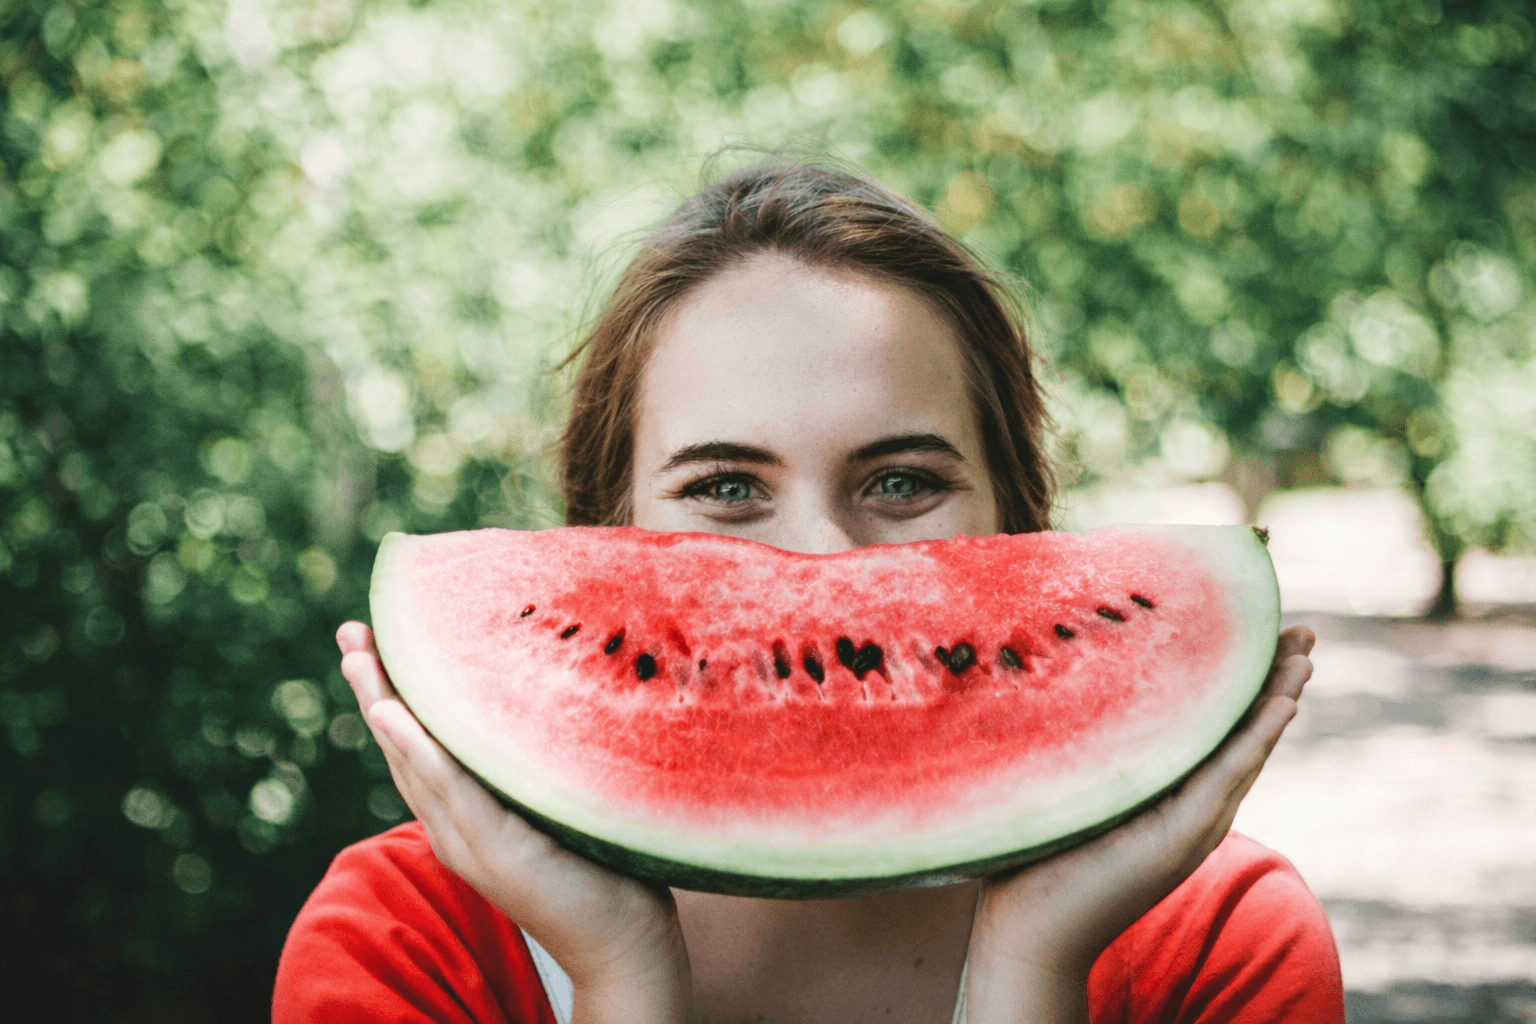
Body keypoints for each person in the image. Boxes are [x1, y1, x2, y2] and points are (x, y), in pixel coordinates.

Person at [273, 163, 1344, 1023]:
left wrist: (1030, 966)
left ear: (1018, 524)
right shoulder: (407, 937)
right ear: (605, 535)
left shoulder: (1215, 941)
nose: (821, 561)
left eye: (902, 481)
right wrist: (618, 975)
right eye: (727, 486)